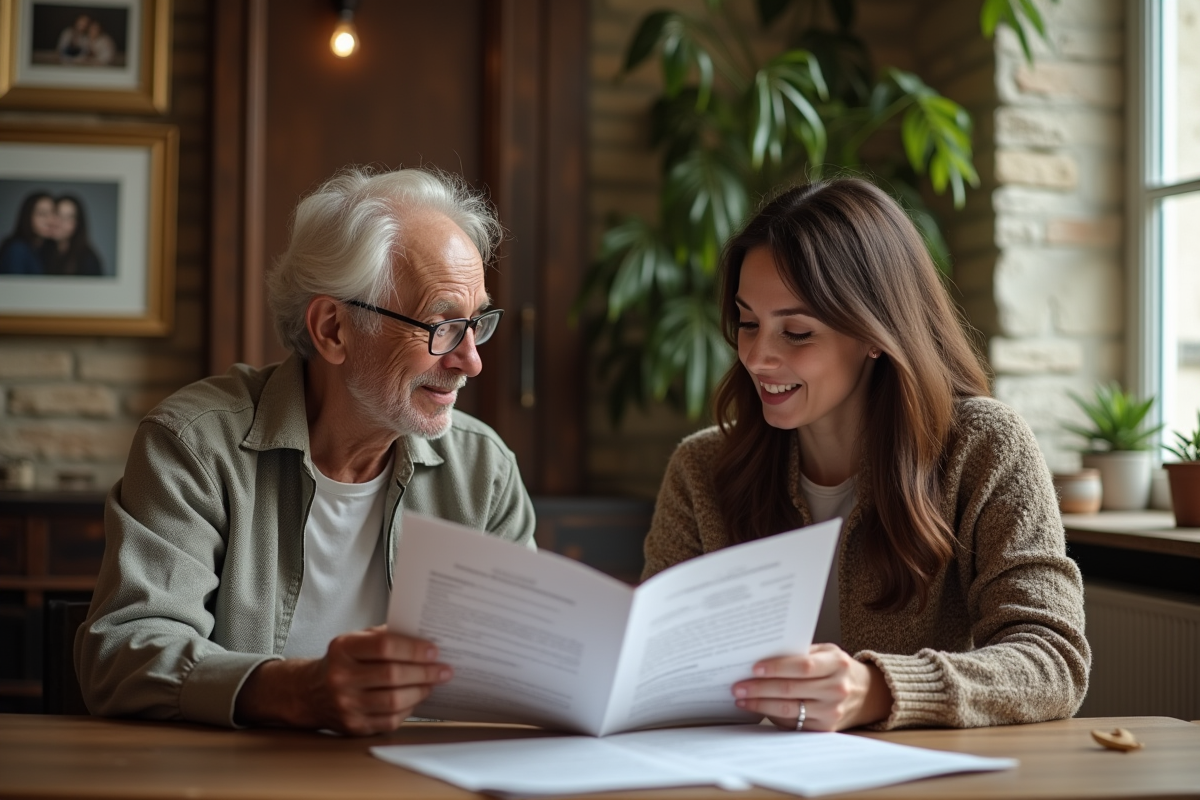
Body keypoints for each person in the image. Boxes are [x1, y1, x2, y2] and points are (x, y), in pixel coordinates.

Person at [76, 166, 536, 734]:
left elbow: (522, 667)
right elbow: (123, 654)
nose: (471, 360)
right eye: (441, 326)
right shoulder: (197, 445)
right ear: (333, 330)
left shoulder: (483, 470)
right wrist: (296, 691)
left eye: (476, 324)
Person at [643, 178, 1090, 732]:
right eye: (749, 323)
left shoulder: (984, 446)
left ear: (876, 332)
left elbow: (1053, 659)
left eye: (797, 332)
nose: (758, 356)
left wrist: (877, 690)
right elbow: (658, 667)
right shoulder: (701, 469)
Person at [0, 191, 57, 274]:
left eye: (53, 213)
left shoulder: (44, 249)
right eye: (42, 214)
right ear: (28, 216)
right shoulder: (17, 249)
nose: (50, 220)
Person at [48, 195, 104, 276]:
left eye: (68, 218)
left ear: (77, 224)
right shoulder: (41, 252)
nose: (59, 222)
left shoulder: (88, 259)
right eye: (57, 214)